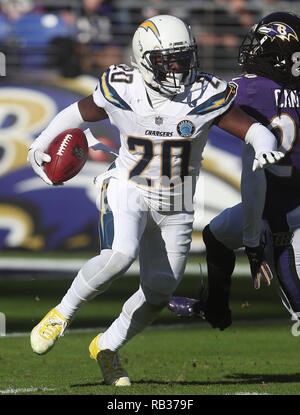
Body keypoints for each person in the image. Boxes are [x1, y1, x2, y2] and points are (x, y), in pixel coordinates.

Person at [27, 14, 283, 387]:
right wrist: (42, 141)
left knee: (160, 290)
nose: (178, 67)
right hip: (128, 184)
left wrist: (264, 147)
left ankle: (108, 347)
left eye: (183, 57)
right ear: (144, 59)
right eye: (168, 60)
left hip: (177, 201)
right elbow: (80, 113)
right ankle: (61, 314)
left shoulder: (205, 93)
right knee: (120, 254)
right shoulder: (123, 87)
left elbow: (255, 130)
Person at [168, 11, 300, 331]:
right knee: (217, 235)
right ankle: (216, 309)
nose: (254, 52)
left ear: (280, 55)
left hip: (280, 210)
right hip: (280, 199)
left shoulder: (252, 88)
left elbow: (201, 102)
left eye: (263, 46)